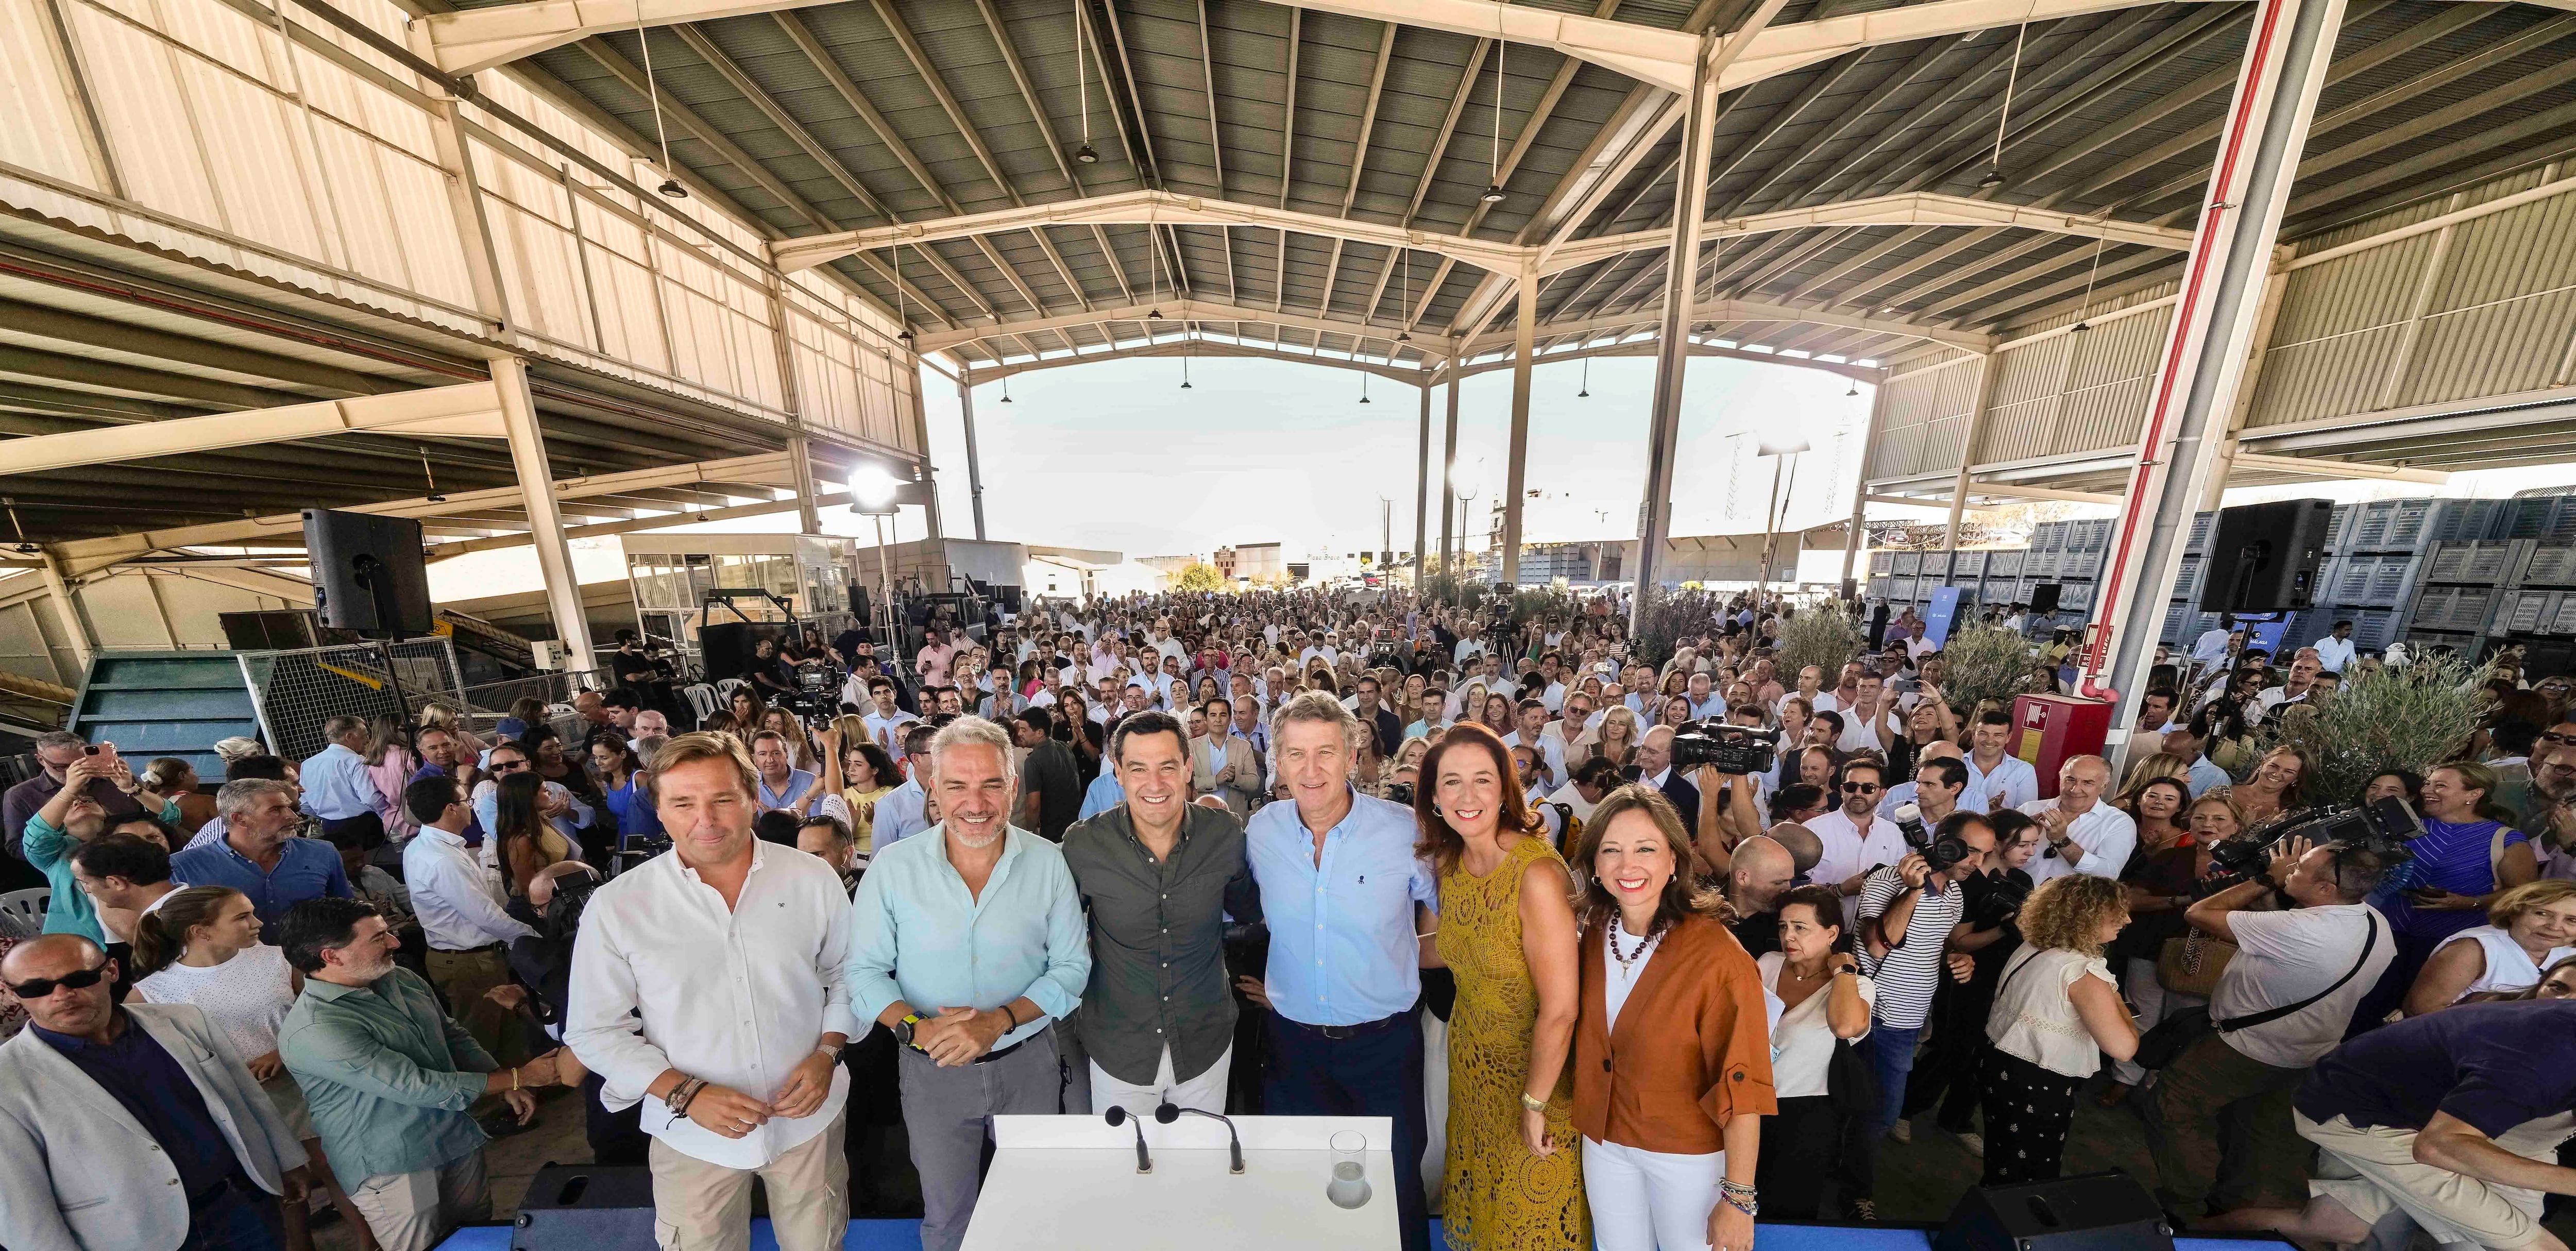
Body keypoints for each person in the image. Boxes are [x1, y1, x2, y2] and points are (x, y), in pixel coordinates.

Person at [566, 733, 857, 1251]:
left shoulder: (812, 879)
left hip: (808, 1123)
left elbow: (847, 976)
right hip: (691, 1135)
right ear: (658, 809)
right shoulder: (618, 906)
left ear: (752, 798)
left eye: (722, 798)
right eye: (683, 802)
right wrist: (686, 1092)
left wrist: (828, 1053)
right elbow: (594, 1031)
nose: (706, 819)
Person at [845, 716, 1089, 1251]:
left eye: (991, 784)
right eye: (956, 785)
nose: (974, 802)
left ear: (1014, 786)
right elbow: (862, 974)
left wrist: (998, 1021)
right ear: (932, 786)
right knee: (948, 1217)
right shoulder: (892, 868)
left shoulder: (1048, 863)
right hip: (931, 1071)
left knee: (1033, 1208)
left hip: (1030, 1065)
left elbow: (1072, 969)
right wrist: (918, 1029)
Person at [1243, 691, 1438, 1251]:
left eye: (1325, 752)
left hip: (1383, 1048)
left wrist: (1410, 952)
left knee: (1395, 1188)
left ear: (1352, 756)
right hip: (1291, 1050)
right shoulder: (1262, 832)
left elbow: (1456, 913)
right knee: (1301, 1188)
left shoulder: (1404, 830)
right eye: (1296, 754)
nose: (1311, 769)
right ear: (1277, 762)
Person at [0, 933, 311, 1251]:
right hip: (133, 1237)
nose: (62, 995)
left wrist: (287, 1160)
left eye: (80, 978)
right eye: (37, 988)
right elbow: (21, 1199)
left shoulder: (182, 1020)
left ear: (112, 971)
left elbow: (245, 1097)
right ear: (14, 994)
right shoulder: (7, 1080)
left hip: (241, 1205)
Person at [2145, 836, 2397, 1226]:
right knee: (2255, 1132)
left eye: (2300, 868)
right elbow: (2275, 935)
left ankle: (2184, 1205)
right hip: (2308, 1052)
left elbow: (2199, 914)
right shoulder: (2375, 924)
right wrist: (2276, 888)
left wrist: (2266, 879)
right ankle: (2232, 1204)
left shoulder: (2302, 928)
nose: (2290, 867)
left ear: (2326, 889)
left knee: (2174, 1107)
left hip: (2244, 1049)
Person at [275, 898, 549, 1251]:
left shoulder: (399, 978)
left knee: (476, 1236)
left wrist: (497, 1076)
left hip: (452, 1134)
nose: (395, 943)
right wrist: (518, 1078)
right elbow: (417, 1086)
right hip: (395, 1162)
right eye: (379, 938)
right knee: (422, 1245)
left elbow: (450, 1034)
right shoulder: (318, 1027)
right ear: (332, 956)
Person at [1568, 784, 1774, 1251]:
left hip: (1688, 1157)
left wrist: (1739, 1199)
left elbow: (1743, 1082)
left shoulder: (1719, 956)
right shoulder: (1592, 936)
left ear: (1675, 861)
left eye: (1646, 848)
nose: (1628, 866)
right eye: (1612, 851)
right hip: (1605, 1144)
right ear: (1595, 865)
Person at [2214, 998, 2576, 1251]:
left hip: (2429, 1111)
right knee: (2533, 1246)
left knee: (2337, 1227)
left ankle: (2196, 1232)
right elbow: (2437, 1148)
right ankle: (2175, 1239)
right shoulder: (2540, 1064)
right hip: (2360, 1114)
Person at [1413, 724, 1586, 1250]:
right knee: (1488, 1224)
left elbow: (1560, 1008)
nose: (1467, 796)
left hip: (1535, 1087)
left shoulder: (1533, 874)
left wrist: (1533, 1104)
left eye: (1482, 780)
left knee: (1530, 1229)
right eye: (1451, 782)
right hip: (1473, 1077)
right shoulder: (1452, 861)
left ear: (1505, 789)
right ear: (1434, 796)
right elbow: (1455, 945)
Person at [131, 886, 375, 1251]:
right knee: (282, 1189)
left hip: (308, 1086)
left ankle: (372, 1241)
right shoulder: (154, 991)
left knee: (337, 1168)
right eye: (242, 916)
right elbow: (150, 1062)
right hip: (238, 1102)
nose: (257, 922)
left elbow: (328, 1011)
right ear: (201, 931)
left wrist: (282, 1050)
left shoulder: (276, 960)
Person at [1061, 710, 1259, 1115]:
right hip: (1119, 1047)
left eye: (1168, 767)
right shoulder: (1084, 846)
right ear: (1117, 772)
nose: (1154, 784)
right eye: (1137, 768)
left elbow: (1250, 910)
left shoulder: (1224, 834)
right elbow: (1056, 936)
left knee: (1200, 1167)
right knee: (1125, 1171)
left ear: (1188, 768)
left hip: (1205, 1041)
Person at [1979, 874, 2137, 1185]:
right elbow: (2124, 1048)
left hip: (1998, 1062)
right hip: (2037, 1079)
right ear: (2087, 916)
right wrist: (2118, 999)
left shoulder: (2034, 945)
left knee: (2003, 1157)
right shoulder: (2082, 971)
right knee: (2030, 1171)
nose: (2127, 920)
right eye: (2116, 913)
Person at [2358, 760, 2538, 1030]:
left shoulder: (2505, 839)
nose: (2428, 790)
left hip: (2447, 944)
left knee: (2414, 1017)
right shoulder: (2405, 827)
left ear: (2473, 795)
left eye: (2440, 785)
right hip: (2385, 931)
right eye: (2428, 783)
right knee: (2363, 1006)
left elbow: (2523, 895)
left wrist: (2467, 903)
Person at [1861, 812, 1997, 1149]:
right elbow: (1879, 945)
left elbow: (1935, 943)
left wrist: (1959, 957)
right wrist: (1913, 891)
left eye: (1985, 854)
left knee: (1873, 1110)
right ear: (1945, 844)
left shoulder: (1956, 893)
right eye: (1971, 851)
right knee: (1882, 1113)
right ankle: (1853, 1184)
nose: (1977, 863)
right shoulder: (1886, 882)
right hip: (1876, 1017)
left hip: (1911, 1020)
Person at [398, 777, 534, 1067]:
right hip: (468, 963)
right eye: (466, 801)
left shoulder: (424, 846)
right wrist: (531, 936)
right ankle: (490, 1105)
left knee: (505, 1028)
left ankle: (521, 1090)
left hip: (465, 957)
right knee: (481, 1039)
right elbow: (485, 916)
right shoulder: (441, 859)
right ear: (451, 809)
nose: (470, 808)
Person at [1756, 884, 1873, 1220]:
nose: (1788, 936)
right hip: (1746, 1096)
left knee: (1786, 1206)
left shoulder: (1857, 987)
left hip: (1803, 1113)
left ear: (1832, 932)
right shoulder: (1768, 964)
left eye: (1800, 927)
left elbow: (1846, 1027)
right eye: (1783, 927)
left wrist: (1844, 970)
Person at [171, 780, 352, 942]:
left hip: (313, 967)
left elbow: (345, 912)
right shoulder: (183, 867)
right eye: (275, 810)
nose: (293, 817)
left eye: (289, 808)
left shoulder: (323, 853)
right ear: (240, 818)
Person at [2403, 880, 2576, 1013]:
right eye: (2542, 914)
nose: (2554, 927)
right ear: (2514, 912)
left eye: (2572, 920)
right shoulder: (2473, 949)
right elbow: (2420, 1010)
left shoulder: (2569, 953)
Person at [1811, 759, 1907, 929]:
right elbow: (1793, 889)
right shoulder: (1814, 829)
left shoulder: (1893, 833)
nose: (1858, 793)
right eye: (1851, 787)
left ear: (1882, 794)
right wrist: (1839, 890)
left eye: (1868, 788)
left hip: (1872, 936)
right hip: (1820, 933)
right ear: (1842, 791)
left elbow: (1898, 884)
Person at [2018, 755, 2136, 885]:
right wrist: (2017, 836)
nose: (2075, 789)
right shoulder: (2030, 809)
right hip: (2010, 895)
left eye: (2088, 783)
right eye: (2070, 779)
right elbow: (1996, 852)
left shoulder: (2119, 823)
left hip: (2066, 904)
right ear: (2060, 778)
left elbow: (2108, 875)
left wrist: (2062, 841)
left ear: (2104, 786)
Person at [1192, 697, 1264, 817]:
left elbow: (1254, 783)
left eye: (1223, 715)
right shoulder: (1191, 747)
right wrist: (1215, 780)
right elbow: (1187, 783)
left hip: (1236, 817)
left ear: (1230, 719)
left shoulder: (1244, 746)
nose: (1218, 720)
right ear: (1206, 719)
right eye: (1213, 715)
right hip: (1201, 817)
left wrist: (1236, 778)